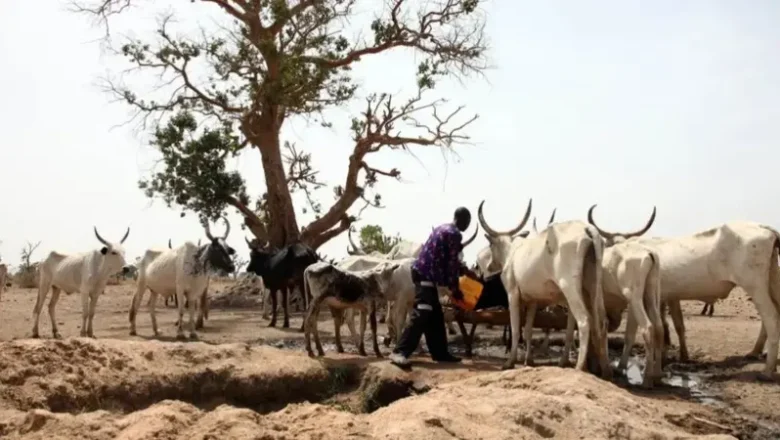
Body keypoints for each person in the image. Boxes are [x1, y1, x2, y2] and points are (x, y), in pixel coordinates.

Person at [389, 207, 477, 368]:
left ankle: (440, 353)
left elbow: (445, 258)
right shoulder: (454, 234)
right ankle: (399, 351)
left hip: (423, 272)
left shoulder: (442, 228)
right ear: (461, 219)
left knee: (435, 314)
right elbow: (450, 265)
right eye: (467, 221)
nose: (467, 225)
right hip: (426, 275)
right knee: (422, 310)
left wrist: (464, 270)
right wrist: (456, 290)